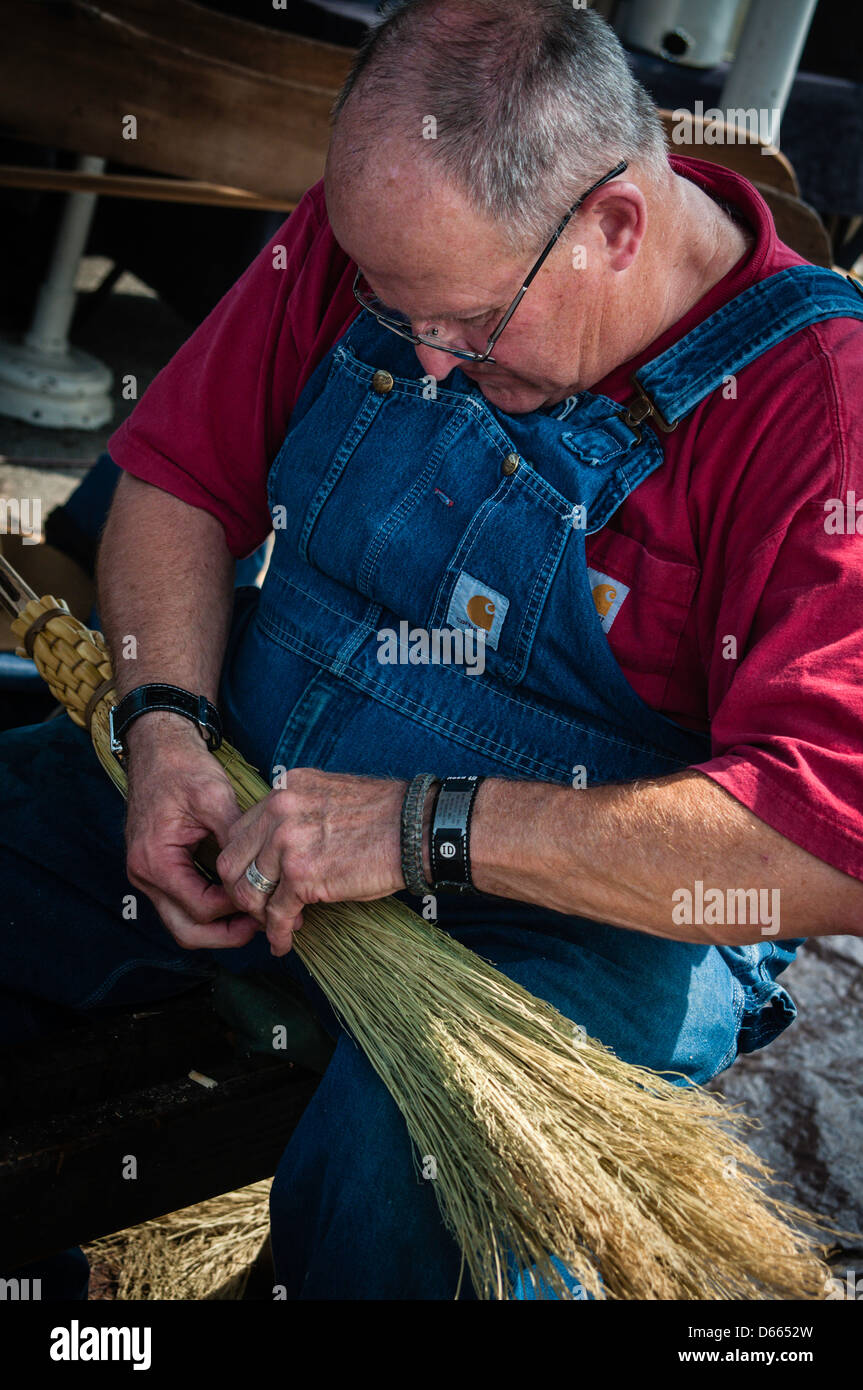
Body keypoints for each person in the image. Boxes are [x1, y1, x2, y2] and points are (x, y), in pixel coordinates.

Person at [2, 0, 862, 1300]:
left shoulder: (823, 416)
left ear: (616, 227)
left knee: (411, 1195)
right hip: (248, 797)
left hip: (567, 926)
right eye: (390, 309)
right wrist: (165, 720)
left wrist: (422, 830)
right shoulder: (392, 250)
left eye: (463, 323)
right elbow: (175, 479)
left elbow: (827, 841)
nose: (420, 362)